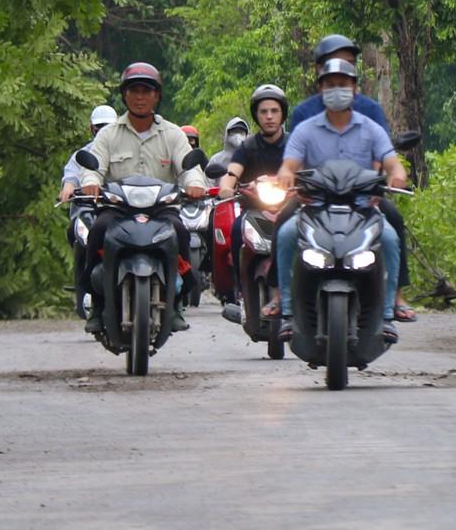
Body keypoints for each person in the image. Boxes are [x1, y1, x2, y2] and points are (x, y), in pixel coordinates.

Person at [273, 57, 408, 344]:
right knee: (285, 234)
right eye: (331, 85)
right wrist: (285, 176)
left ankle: (387, 315)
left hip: (362, 208)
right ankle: (286, 312)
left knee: (390, 239)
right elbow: (289, 165)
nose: (337, 90)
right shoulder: (305, 129)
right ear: (320, 88)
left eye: (343, 85)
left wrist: (397, 174)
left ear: (354, 88)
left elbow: (392, 162)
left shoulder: (371, 128)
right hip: (314, 208)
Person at [80, 62, 206, 335]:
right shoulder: (108, 134)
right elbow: (93, 167)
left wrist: (195, 184)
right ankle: (97, 302)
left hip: (161, 211)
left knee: (182, 232)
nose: (140, 97)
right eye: (134, 90)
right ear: (124, 95)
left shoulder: (172, 134)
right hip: (117, 211)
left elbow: (189, 168)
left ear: (157, 96)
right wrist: (90, 183)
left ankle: (177, 302)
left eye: (146, 91)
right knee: (97, 231)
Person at [215, 85, 290, 319]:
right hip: (255, 210)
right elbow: (233, 171)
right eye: (263, 111)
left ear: (282, 114)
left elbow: (307, 169)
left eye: (274, 111)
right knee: (236, 230)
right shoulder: (247, 147)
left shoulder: (294, 144)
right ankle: (240, 292)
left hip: (289, 210)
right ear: (256, 115)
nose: (269, 116)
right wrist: (227, 186)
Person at [60, 104, 119, 317]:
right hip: (89, 210)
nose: (103, 131)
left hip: (120, 210)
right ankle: (85, 288)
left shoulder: (125, 151)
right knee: (78, 235)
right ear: (91, 129)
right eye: (99, 127)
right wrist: (68, 188)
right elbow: (71, 175)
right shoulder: (83, 154)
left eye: (108, 127)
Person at [288, 35, 390, 130]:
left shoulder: (371, 111)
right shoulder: (303, 114)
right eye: (337, 64)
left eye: (350, 63)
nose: (345, 69)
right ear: (320, 69)